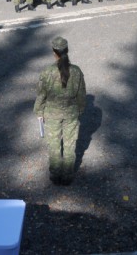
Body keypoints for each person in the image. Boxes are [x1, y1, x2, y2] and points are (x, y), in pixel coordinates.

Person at [34, 36, 86, 185]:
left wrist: (39, 112)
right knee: (70, 145)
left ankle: (55, 175)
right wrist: (80, 110)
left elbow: (41, 95)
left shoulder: (47, 72)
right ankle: (68, 176)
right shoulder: (76, 71)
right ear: (67, 50)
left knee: (54, 145)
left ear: (53, 51)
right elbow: (81, 94)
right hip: (71, 114)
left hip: (51, 114)